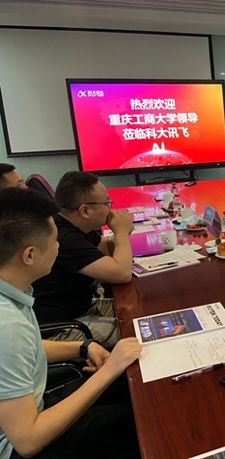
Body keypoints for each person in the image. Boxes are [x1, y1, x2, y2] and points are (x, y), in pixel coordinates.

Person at [0, 187, 142, 459]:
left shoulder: (14, 289)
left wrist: (83, 347)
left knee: (129, 385)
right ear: (29, 255)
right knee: (131, 421)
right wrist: (108, 371)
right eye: (55, 241)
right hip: (20, 445)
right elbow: (27, 441)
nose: (59, 246)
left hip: (32, 405)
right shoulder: (7, 325)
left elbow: (28, 348)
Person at [33, 171, 134, 348]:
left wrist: (121, 232)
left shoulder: (71, 224)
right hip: (63, 328)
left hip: (83, 306)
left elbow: (105, 248)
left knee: (141, 308)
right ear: (85, 210)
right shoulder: (66, 237)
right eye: (106, 203)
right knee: (137, 331)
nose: (110, 208)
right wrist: (121, 232)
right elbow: (122, 274)